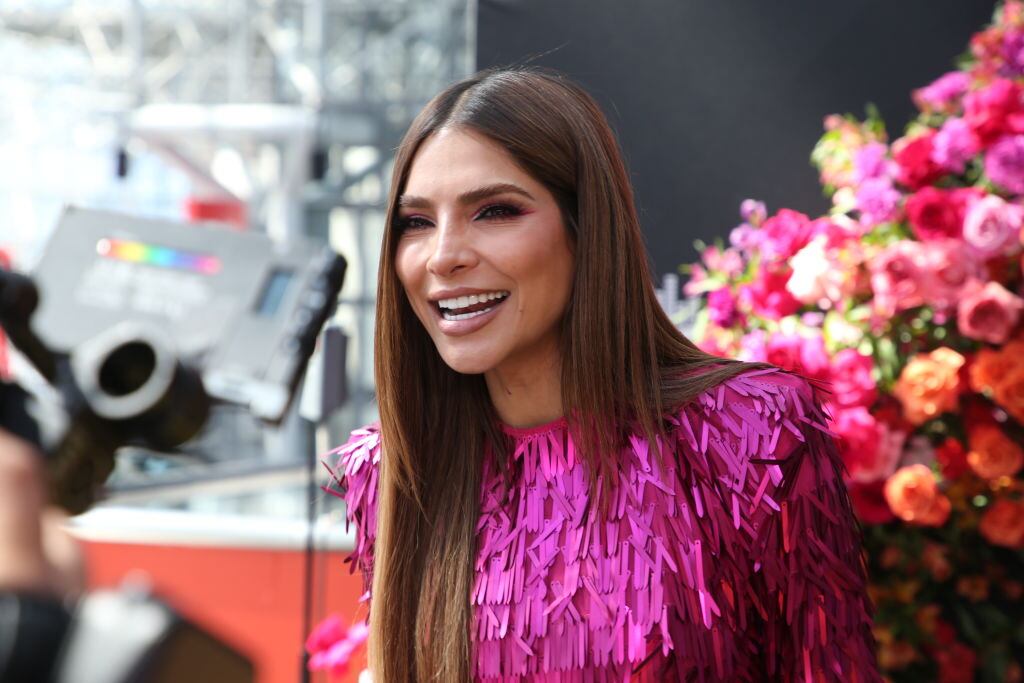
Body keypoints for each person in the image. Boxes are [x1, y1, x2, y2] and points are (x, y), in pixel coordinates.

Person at [326, 66, 882, 681]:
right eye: (417, 222)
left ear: (585, 229)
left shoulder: (750, 435)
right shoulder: (393, 467)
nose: (444, 255)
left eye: (495, 211)